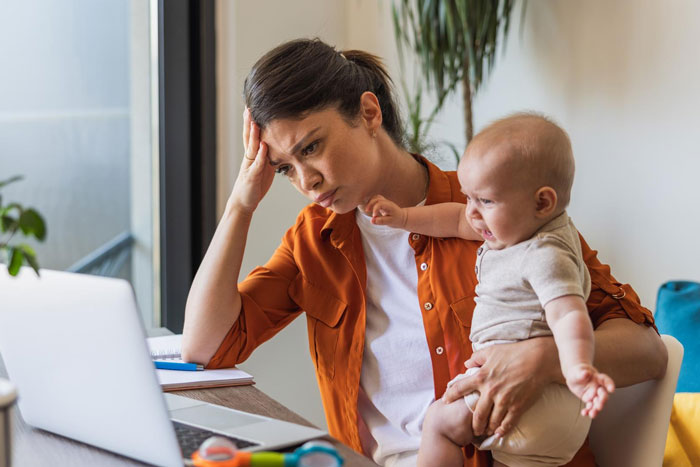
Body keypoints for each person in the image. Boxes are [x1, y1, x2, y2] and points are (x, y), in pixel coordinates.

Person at [181, 38, 667, 467]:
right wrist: (242, 202)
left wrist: (542, 358)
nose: (306, 182)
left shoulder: (496, 209)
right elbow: (205, 347)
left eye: (311, 148)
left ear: (369, 114)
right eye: (285, 168)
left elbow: (647, 350)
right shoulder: (315, 241)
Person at [365, 113, 616, 467]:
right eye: (469, 198)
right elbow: (454, 220)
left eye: (485, 201)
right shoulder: (522, 228)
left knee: (439, 423)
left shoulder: (543, 254)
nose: (472, 213)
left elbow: (569, 313)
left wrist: (576, 366)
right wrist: (404, 218)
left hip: (537, 393)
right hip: (549, 415)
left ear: (542, 202)